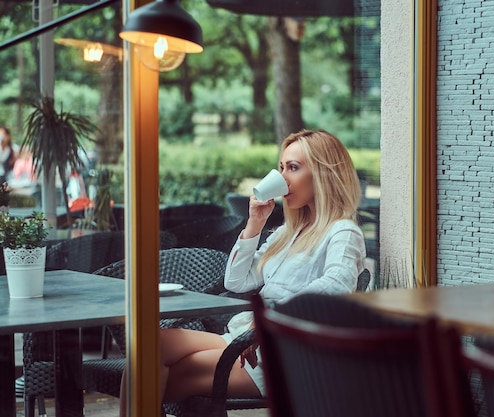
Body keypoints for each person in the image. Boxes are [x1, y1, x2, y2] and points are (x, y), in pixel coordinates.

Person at [118, 129, 367, 415]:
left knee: (148, 380)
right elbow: (236, 281)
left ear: (324, 175)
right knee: (149, 346)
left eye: (294, 168)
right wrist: (254, 225)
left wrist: (269, 319)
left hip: (286, 355)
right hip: (248, 337)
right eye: (282, 167)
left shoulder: (343, 232)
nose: (283, 177)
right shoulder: (288, 232)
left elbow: (338, 285)